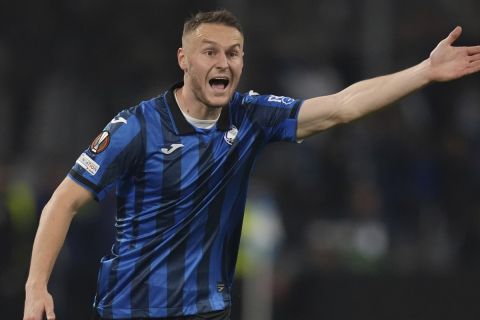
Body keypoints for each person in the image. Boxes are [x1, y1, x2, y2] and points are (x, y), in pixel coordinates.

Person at [23, 8, 480, 320]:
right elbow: (62, 202)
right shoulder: (136, 127)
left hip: (208, 311)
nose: (224, 61)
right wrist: (36, 286)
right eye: (210, 51)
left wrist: (423, 71)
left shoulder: (251, 115)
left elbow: (341, 105)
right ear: (184, 59)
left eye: (234, 52)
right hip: (133, 309)